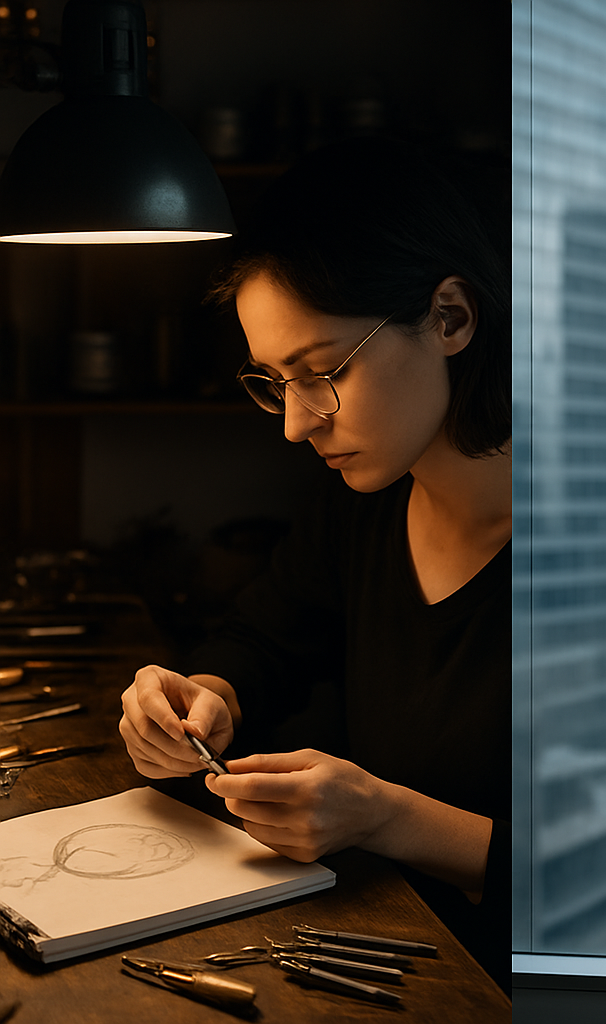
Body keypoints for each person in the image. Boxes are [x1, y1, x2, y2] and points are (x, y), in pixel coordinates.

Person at [118, 137, 511, 993]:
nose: (297, 425)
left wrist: (387, 818)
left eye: (322, 372)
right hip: (397, 962)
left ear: (450, 318)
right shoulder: (364, 506)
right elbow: (264, 637)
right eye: (273, 382)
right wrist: (204, 697)